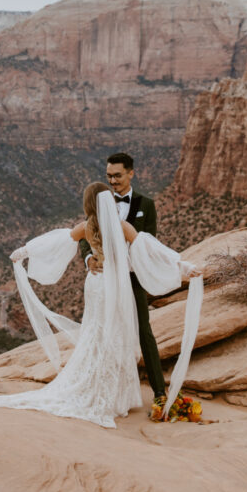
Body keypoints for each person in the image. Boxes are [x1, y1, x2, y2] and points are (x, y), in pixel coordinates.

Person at [0, 183, 204, 428]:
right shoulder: (122, 226)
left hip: (97, 287)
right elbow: (151, 248)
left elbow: (59, 239)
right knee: (114, 336)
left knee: (97, 334)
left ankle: (99, 387)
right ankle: (113, 394)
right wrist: (182, 266)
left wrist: (26, 251)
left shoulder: (87, 226)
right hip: (114, 287)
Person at [81, 152, 166, 406]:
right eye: (109, 176)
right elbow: (84, 236)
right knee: (105, 333)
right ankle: (102, 392)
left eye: (117, 175)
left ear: (131, 173)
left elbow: (149, 243)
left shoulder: (146, 205)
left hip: (132, 280)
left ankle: (159, 392)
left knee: (143, 332)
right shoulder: (99, 202)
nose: (113, 181)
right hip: (105, 282)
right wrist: (89, 259)